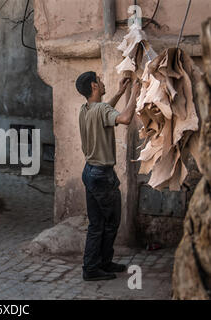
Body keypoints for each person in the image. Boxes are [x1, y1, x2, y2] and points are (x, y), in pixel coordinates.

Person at [75, 71, 141, 281]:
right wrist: (134, 94)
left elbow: (105, 110)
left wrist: (121, 92)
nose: (103, 83)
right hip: (102, 175)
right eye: (100, 80)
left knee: (97, 223)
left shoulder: (85, 109)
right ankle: (92, 268)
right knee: (110, 222)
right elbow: (125, 118)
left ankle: (101, 263)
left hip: (90, 172)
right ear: (94, 85)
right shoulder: (100, 109)